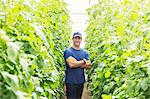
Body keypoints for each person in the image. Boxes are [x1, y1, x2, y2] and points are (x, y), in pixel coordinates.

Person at [64, 32, 91, 99]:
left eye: (79, 38)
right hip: (71, 82)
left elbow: (89, 65)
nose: (77, 40)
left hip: (80, 81)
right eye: (75, 38)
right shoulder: (68, 51)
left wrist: (76, 62)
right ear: (72, 39)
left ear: (81, 40)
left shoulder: (85, 52)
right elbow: (71, 65)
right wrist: (83, 61)